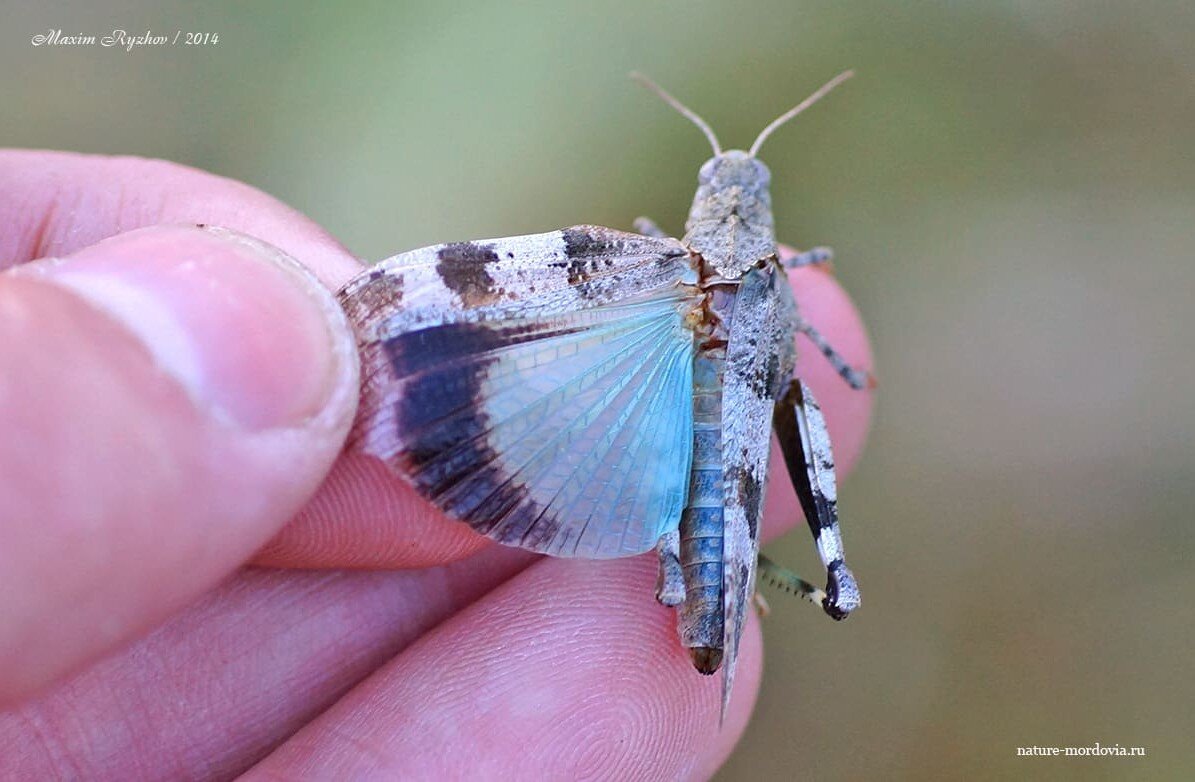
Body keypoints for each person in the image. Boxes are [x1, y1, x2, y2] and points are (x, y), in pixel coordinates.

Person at [0, 150, 873, 779]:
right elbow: (396, 308)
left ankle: (793, 569)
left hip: (684, 341)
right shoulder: (741, 279)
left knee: (765, 435)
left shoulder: (691, 272)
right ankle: (779, 571)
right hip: (687, 343)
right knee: (761, 434)